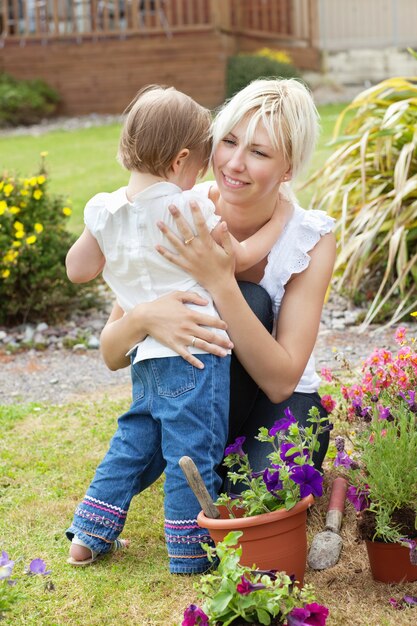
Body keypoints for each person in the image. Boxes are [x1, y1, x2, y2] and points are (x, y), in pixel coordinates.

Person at [64, 84, 289, 574]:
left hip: (144, 355)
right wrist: (283, 220)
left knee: (132, 442)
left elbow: (78, 269)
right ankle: (189, 553)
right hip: (193, 353)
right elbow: (240, 260)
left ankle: (87, 535)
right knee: (193, 447)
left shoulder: (103, 209)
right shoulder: (191, 209)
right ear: (181, 161)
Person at [99, 78, 336, 485]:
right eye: (228, 141)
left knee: (259, 496)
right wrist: (144, 319)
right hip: (198, 401)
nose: (234, 163)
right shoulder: (174, 210)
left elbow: (282, 383)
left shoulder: (310, 238)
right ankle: (195, 457)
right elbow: (112, 353)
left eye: (258, 152)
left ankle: (211, 464)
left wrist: (219, 281)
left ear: (288, 169)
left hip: (280, 402)